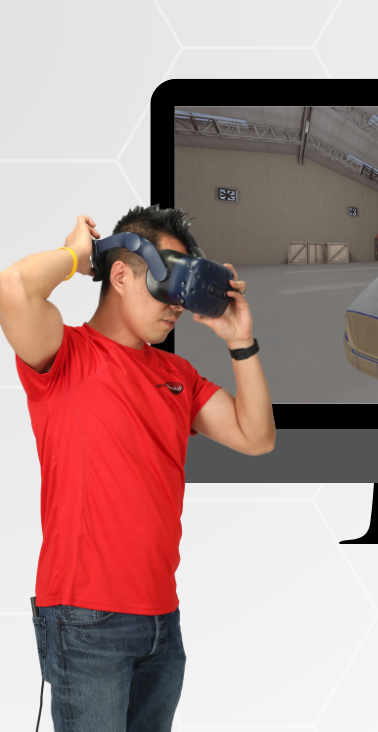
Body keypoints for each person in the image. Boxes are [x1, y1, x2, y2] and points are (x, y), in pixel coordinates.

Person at [0, 205, 276, 731]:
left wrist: (241, 342)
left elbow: (257, 436)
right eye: (167, 281)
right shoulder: (65, 354)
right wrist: (78, 256)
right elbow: (12, 287)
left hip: (161, 624)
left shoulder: (178, 374)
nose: (175, 306)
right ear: (121, 275)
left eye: (182, 289)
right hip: (86, 621)